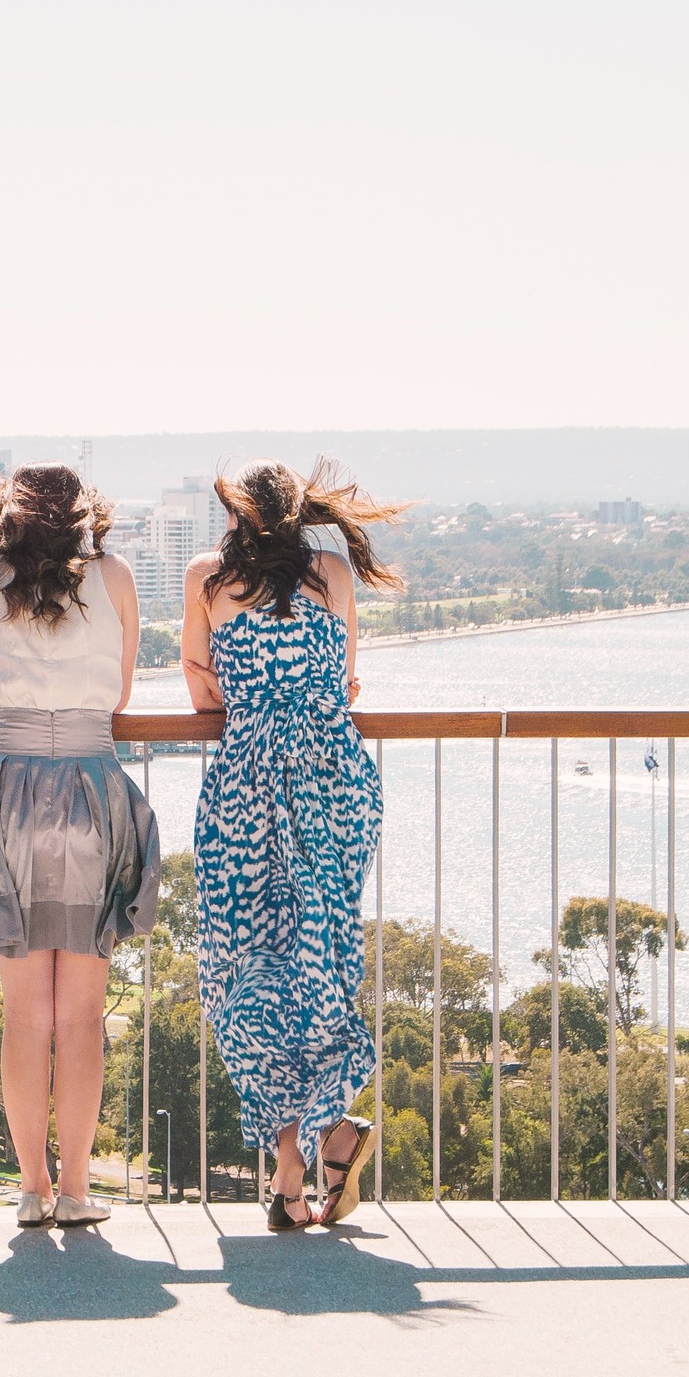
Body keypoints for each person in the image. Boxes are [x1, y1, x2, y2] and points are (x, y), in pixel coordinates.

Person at [183, 458, 403, 1230]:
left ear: (239, 515)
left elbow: (200, 688)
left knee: (238, 971)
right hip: (331, 782)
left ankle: (293, 1160)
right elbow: (344, 682)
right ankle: (324, 1138)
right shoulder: (332, 573)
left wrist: (249, 703)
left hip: (244, 788)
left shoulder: (207, 579)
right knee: (319, 965)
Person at [0, 464, 159, 1228]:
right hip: (92, 790)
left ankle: (31, 1189)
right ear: (84, 515)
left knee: (22, 1015)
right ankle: (77, 1189)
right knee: (80, 1014)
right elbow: (123, 695)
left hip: (13, 795)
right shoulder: (117, 577)